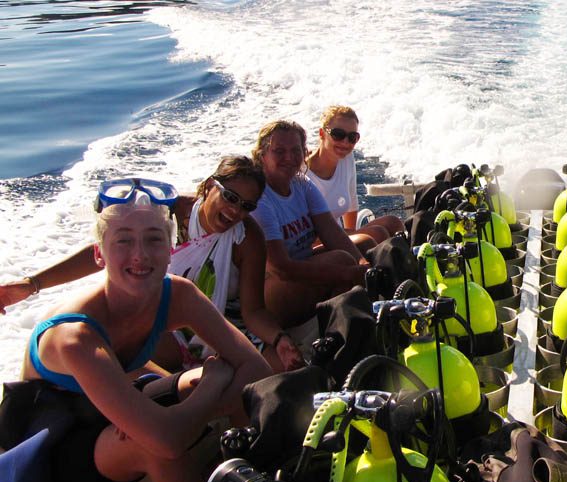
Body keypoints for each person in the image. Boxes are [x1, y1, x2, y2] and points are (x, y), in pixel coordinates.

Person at [20, 186, 272, 482]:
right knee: (155, 447)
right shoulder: (74, 336)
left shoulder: (177, 294)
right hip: (55, 447)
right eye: (123, 241)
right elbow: (166, 441)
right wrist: (211, 386)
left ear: (169, 248)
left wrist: (196, 396)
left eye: (153, 239)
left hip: (111, 408)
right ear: (99, 254)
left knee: (209, 388)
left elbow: (257, 368)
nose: (140, 256)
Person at [0, 158, 305, 372]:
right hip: (156, 319)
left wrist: (280, 339)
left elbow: (253, 311)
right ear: (210, 186)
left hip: (218, 321)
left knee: (279, 367)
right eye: (230, 197)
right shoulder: (163, 212)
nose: (236, 210)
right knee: (116, 353)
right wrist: (32, 284)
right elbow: (104, 250)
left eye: (247, 205)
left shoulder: (246, 237)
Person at [249, 120, 368, 328]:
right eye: (279, 151)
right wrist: (347, 272)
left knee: (364, 245)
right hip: (269, 292)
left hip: (299, 270)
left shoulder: (301, 183)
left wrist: (363, 264)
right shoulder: (260, 199)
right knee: (341, 261)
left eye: (296, 150)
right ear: (262, 156)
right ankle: (338, 334)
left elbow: (331, 232)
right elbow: (282, 269)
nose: (289, 158)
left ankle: (353, 319)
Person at [305, 105, 405, 252]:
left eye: (352, 137)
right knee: (378, 233)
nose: (345, 142)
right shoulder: (302, 172)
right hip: (312, 244)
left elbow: (351, 204)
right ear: (322, 133)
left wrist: (352, 240)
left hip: (339, 236)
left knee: (393, 222)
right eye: (338, 134)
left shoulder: (346, 158)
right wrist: (352, 240)